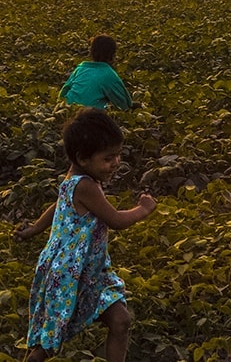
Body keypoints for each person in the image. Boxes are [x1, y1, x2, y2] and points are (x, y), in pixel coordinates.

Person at [17, 109, 157, 362]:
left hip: (89, 272)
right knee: (48, 344)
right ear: (83, 158)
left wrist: (35, 228)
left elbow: (59, 204)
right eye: (108, 158)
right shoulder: (85, 185)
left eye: (118, 155)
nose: (116, 163)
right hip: (69, 275)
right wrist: (143, 209)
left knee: (120, 321)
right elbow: (115, 220)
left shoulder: (74, 179)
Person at [59, 34, 132, 111]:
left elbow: (64, 91)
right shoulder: (108, 74)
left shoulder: (81, 68)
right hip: (89, 116)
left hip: (67, 110)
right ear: (112, 55)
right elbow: (124, 104)